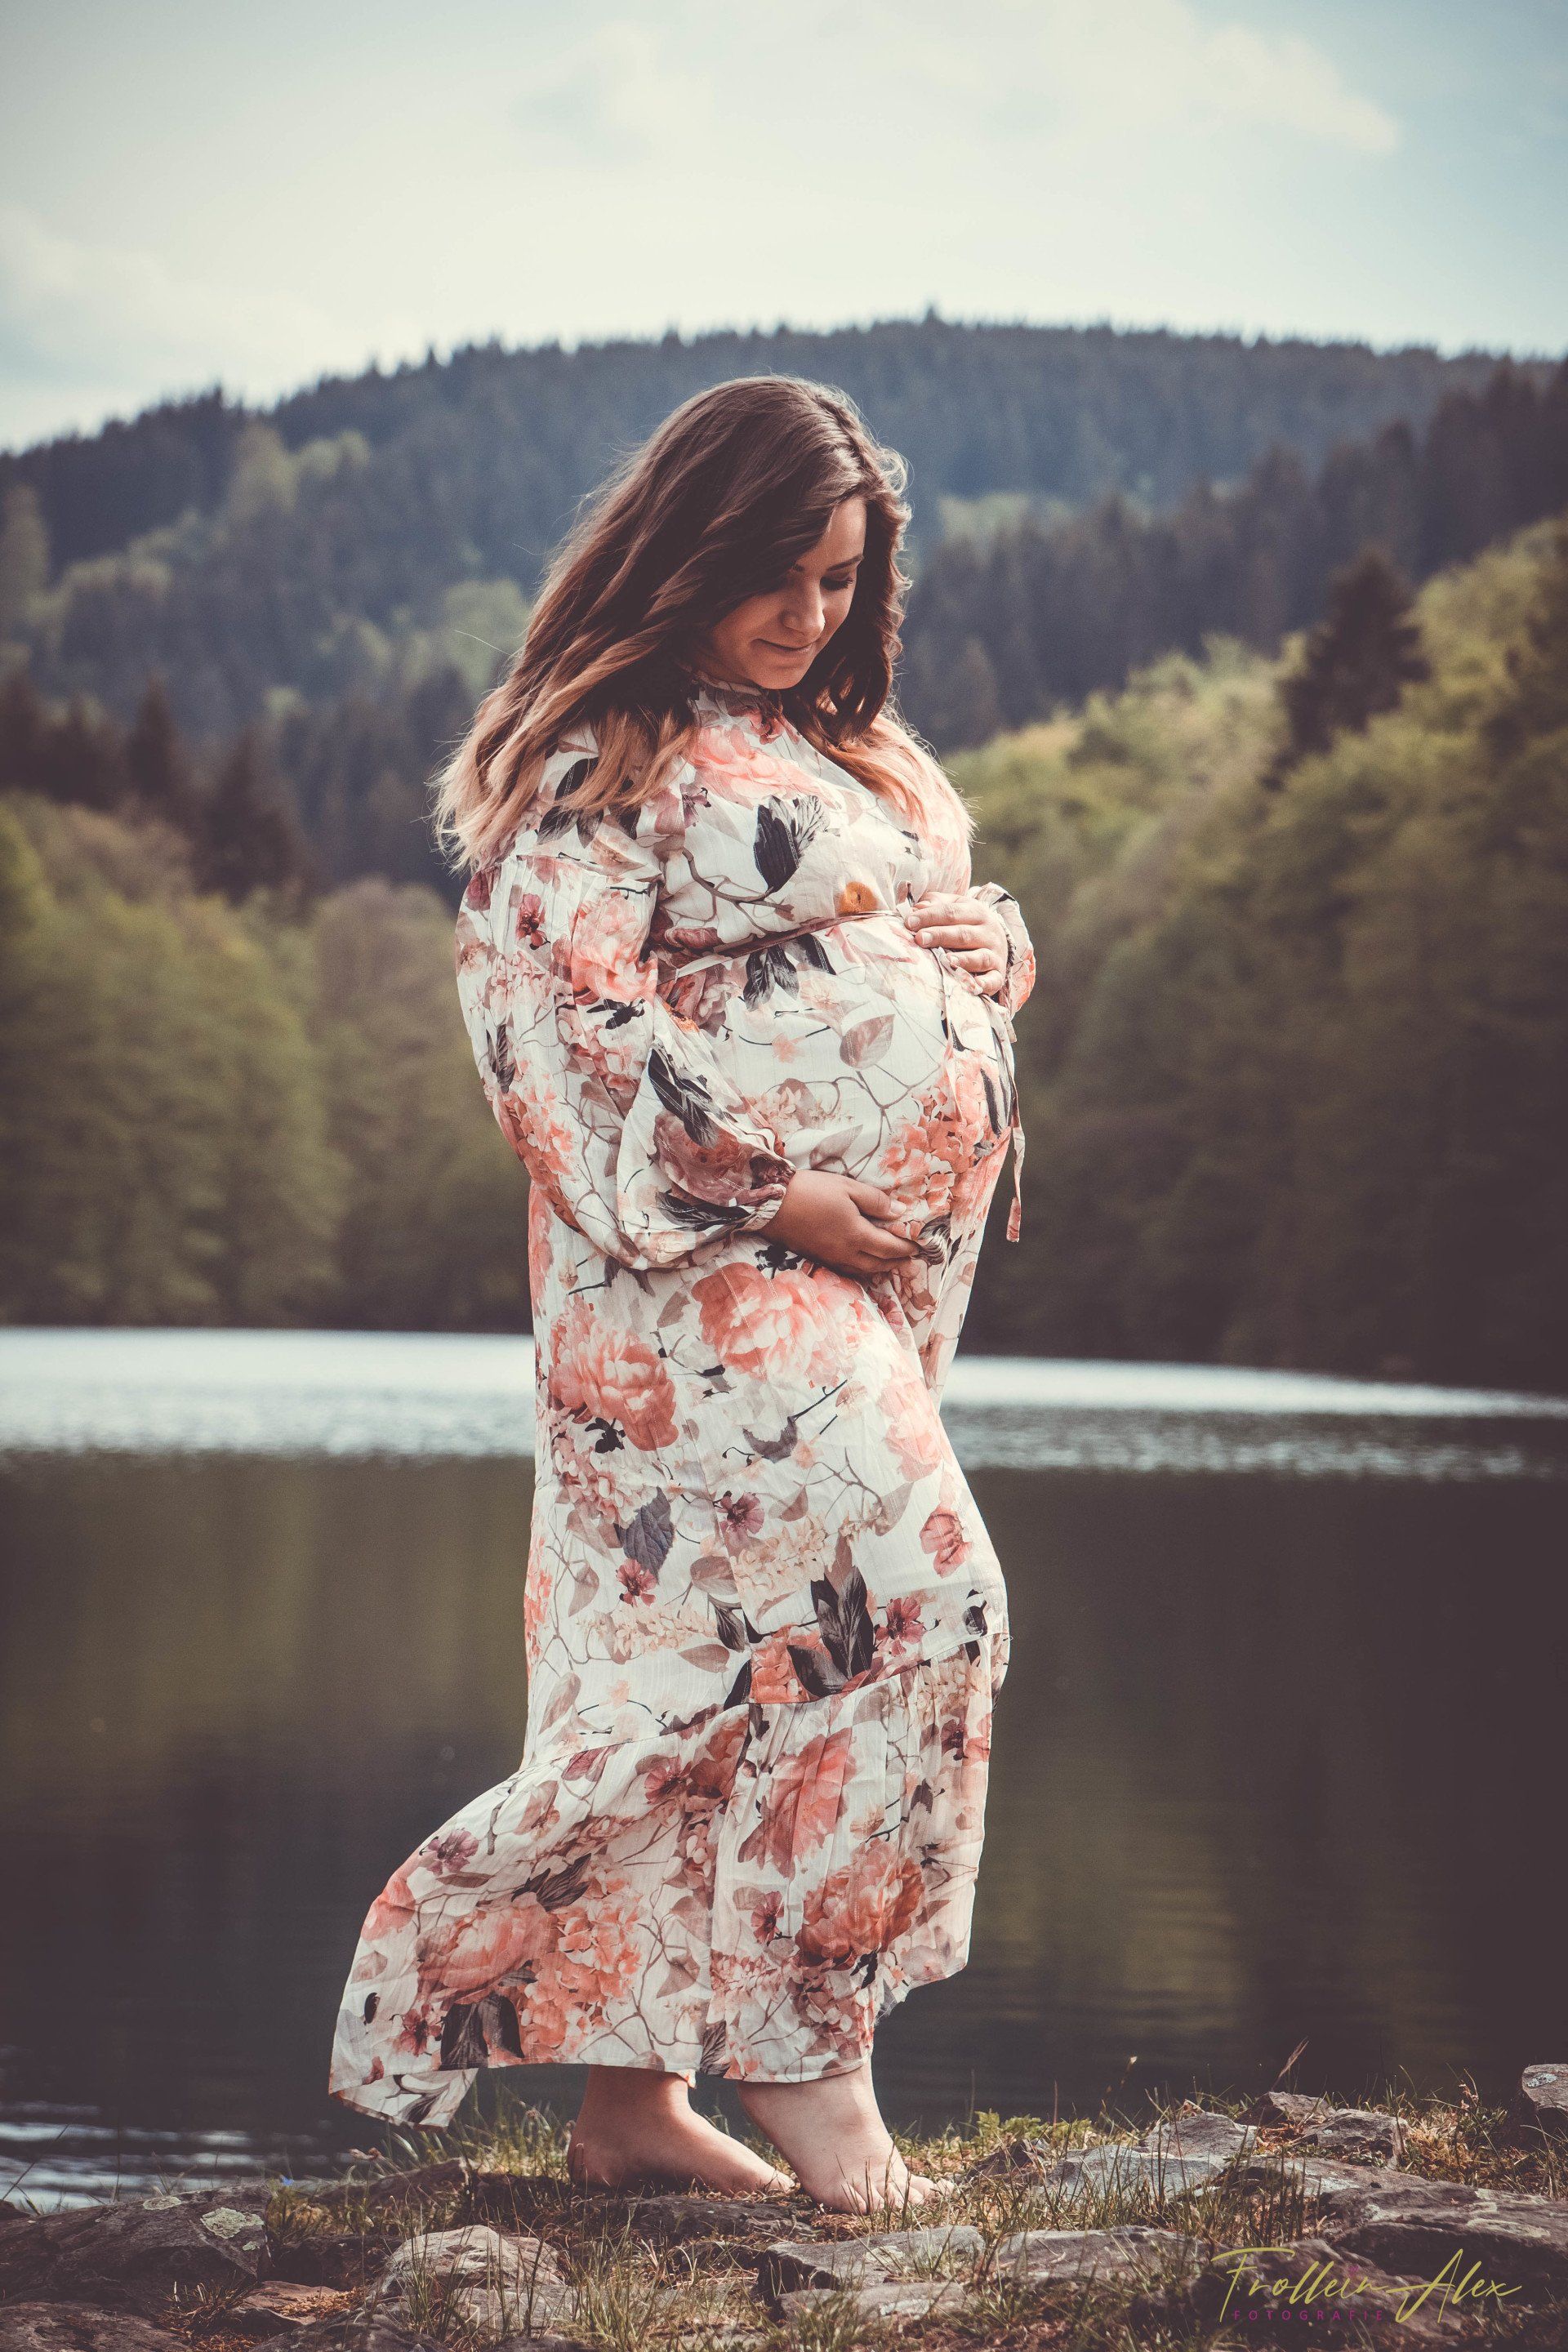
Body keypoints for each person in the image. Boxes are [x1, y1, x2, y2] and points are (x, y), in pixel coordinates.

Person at [328, 375, 1036, 2212]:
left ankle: (632, 2111)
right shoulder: (602, 748)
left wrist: (993, 949)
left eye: (838, 581)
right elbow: (549, 1027)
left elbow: (908, 933)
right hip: (694, 1284)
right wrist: (781, 1190)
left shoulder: (857, 749)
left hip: (868, 1295)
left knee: (717, 1666)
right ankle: (815, 2073)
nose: (805, 617)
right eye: (773, 577)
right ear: (686, 548)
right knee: (922, 1598)